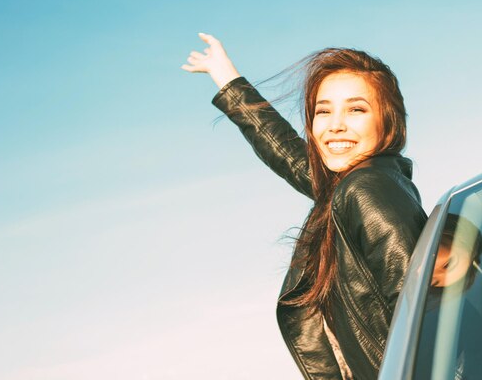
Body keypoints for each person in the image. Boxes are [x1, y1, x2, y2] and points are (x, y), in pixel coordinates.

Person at [182, 33, 427, 380]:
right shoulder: (348, 189)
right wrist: (227, 78)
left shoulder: (365, 190)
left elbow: (421, 314)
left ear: (388, 121)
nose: (335, 124)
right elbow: (286, 153)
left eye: (356, 109)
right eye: (322, 111)